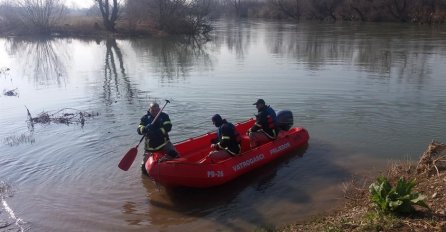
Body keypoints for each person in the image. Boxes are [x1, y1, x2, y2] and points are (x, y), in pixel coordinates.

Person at [137, 102, 179, 168]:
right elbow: (139, 130)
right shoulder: (144, 118)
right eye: (153, 110)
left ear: (159, 109)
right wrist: (145, 129)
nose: (155, 112)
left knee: (176, 155)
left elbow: (168, 127)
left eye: (156, 110)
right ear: (149, 109)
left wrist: (156, 132)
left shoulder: (164, 116)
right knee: (143, 166)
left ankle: (165, 161)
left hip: (164, 143)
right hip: (150, 146)